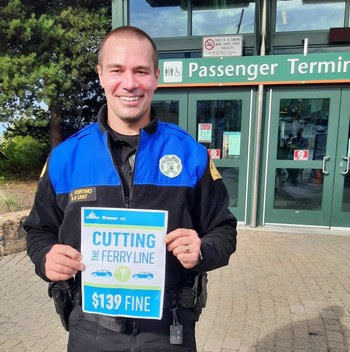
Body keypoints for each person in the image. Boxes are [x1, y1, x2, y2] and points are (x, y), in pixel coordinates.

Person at [24, 25, 237, 352]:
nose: (129, 83)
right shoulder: (66, 157)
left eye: (140, 71)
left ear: (156, 76)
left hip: (169, 331)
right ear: (100, 75)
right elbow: (38, 231)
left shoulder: (190, 154)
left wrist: (203, 249)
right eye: (117, 70)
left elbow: (223, 229)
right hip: (90, 331)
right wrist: (45, 257)